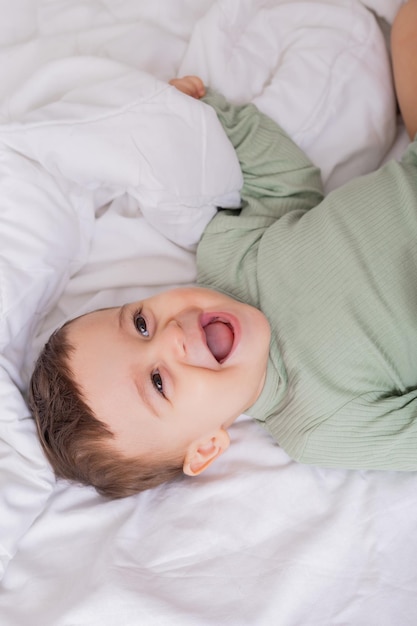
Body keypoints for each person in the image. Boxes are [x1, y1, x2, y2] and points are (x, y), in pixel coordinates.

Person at [29, 1, 417, 498]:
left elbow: (285, 183)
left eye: (141, 323)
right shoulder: (319, 424)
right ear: (206, 447)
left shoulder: (230, 259)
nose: (169, 337)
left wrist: (213, 115)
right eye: (159, 383)